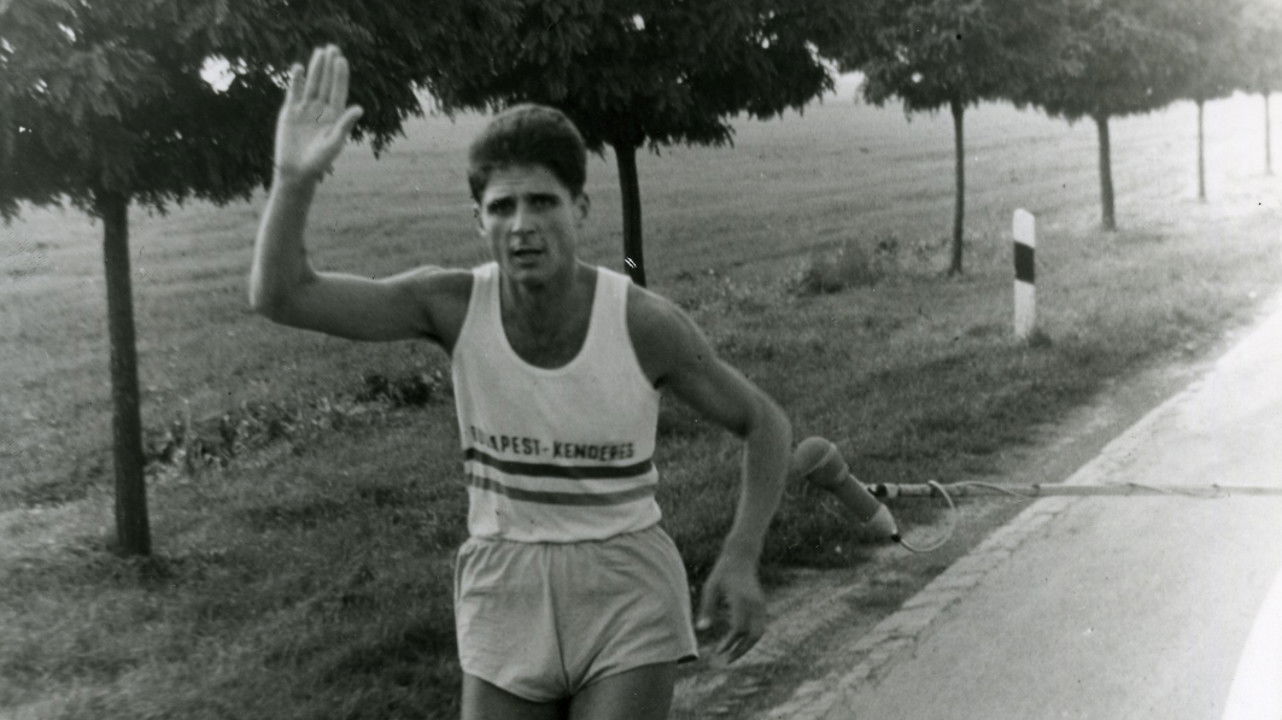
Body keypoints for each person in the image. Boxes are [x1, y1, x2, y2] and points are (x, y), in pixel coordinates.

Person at [249, 45, 792, 720]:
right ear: (479, 219)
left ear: (580, 208)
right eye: (502, 206)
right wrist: (292, 179)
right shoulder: (449, 304)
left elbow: (764, 422)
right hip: (503, 581)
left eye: (543, 202)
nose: (523, 225)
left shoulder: (642, 323)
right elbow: (281, 295)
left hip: (624, 583)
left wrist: (741, 554)